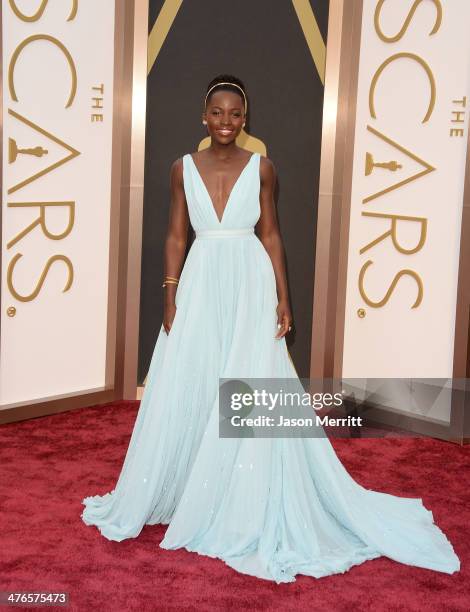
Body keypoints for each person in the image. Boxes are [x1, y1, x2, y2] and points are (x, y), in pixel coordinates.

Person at [81, 75, 460, 583]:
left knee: (246, 385)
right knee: (191, 381)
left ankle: (239, 495)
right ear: (203, 115)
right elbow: (175, 234)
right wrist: (169, 292)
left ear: (245, 119)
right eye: (217, 112)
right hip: (201, 280)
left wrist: (284, 296)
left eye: (235, 114)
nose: (225, 122)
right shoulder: (181, 169)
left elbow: (272, 234)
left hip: (248, 280)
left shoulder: (262, 169)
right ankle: (193, 486)